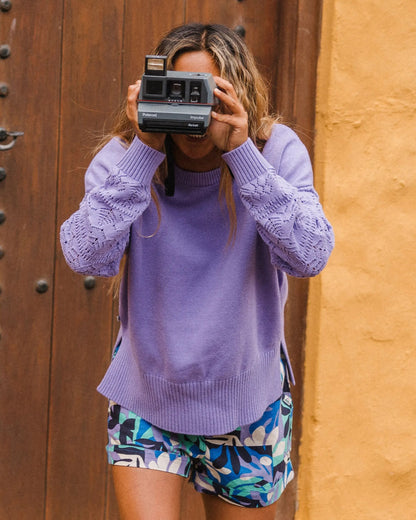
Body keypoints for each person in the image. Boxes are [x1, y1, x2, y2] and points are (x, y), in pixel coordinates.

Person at [60, 23, 334, 520]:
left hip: (250, 402)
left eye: (205, 96)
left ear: (237, 94)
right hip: (147, 394)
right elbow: (84, 254)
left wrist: (242, 154)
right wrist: (144, 150)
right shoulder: (126, 159)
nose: (193, 113)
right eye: (176, 93)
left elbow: (310, 255)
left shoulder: (274, 151)